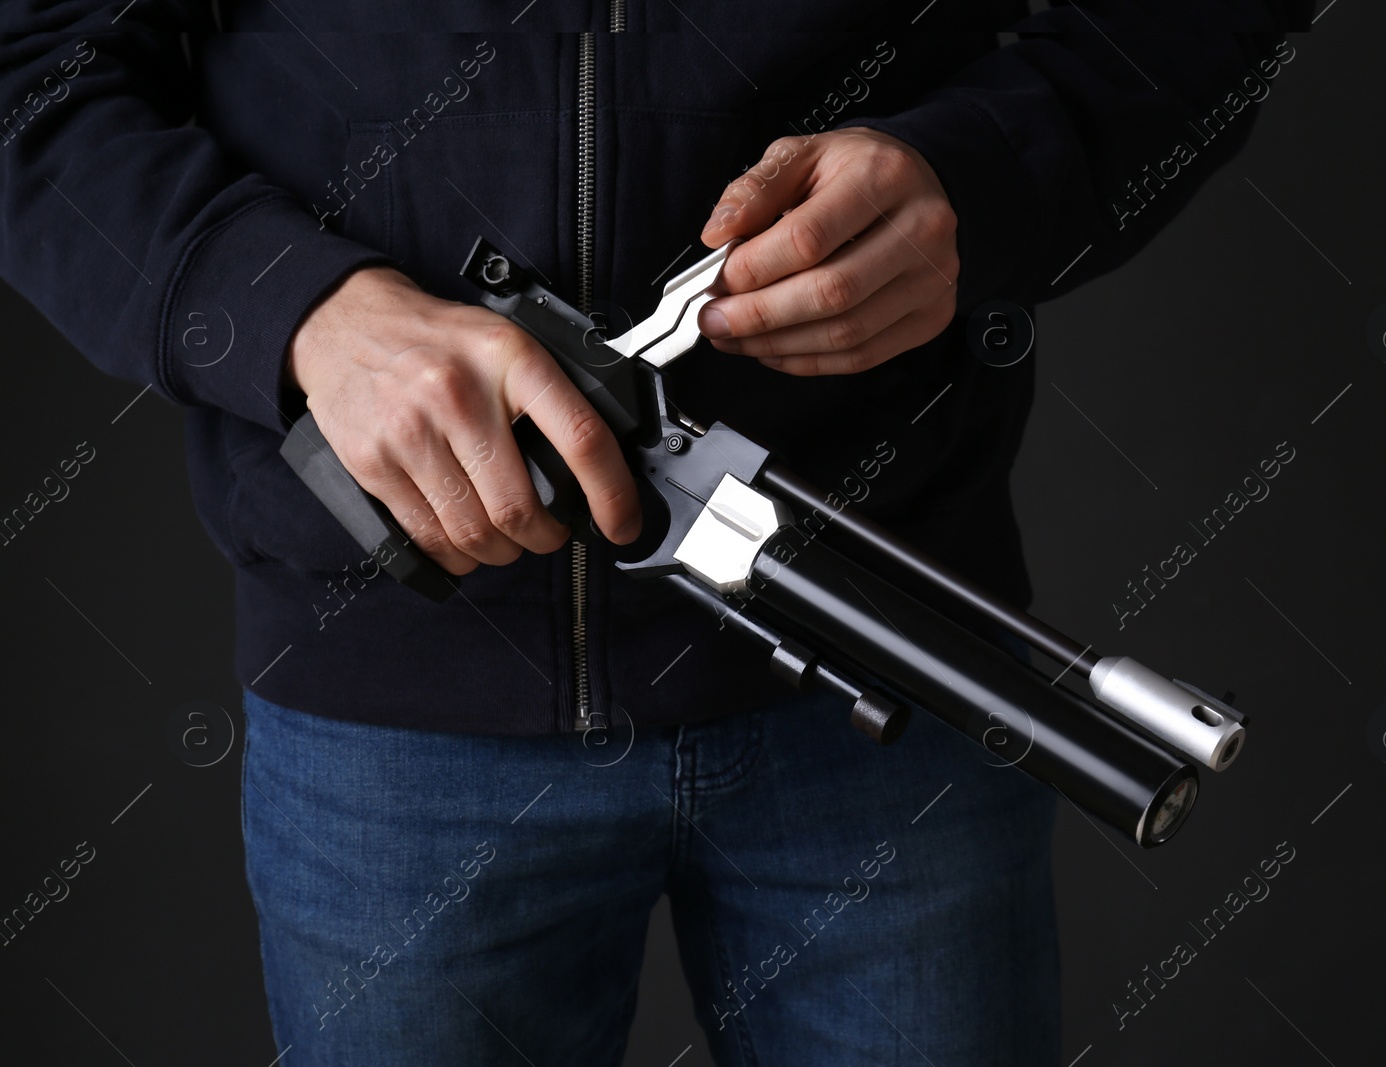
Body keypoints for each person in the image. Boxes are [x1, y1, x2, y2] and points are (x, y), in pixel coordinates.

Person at [0, 2, 1309, 1063]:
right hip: (393, 716)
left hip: (892, 669)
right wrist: (294, 309)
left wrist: (988, 174)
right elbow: (27, 57)